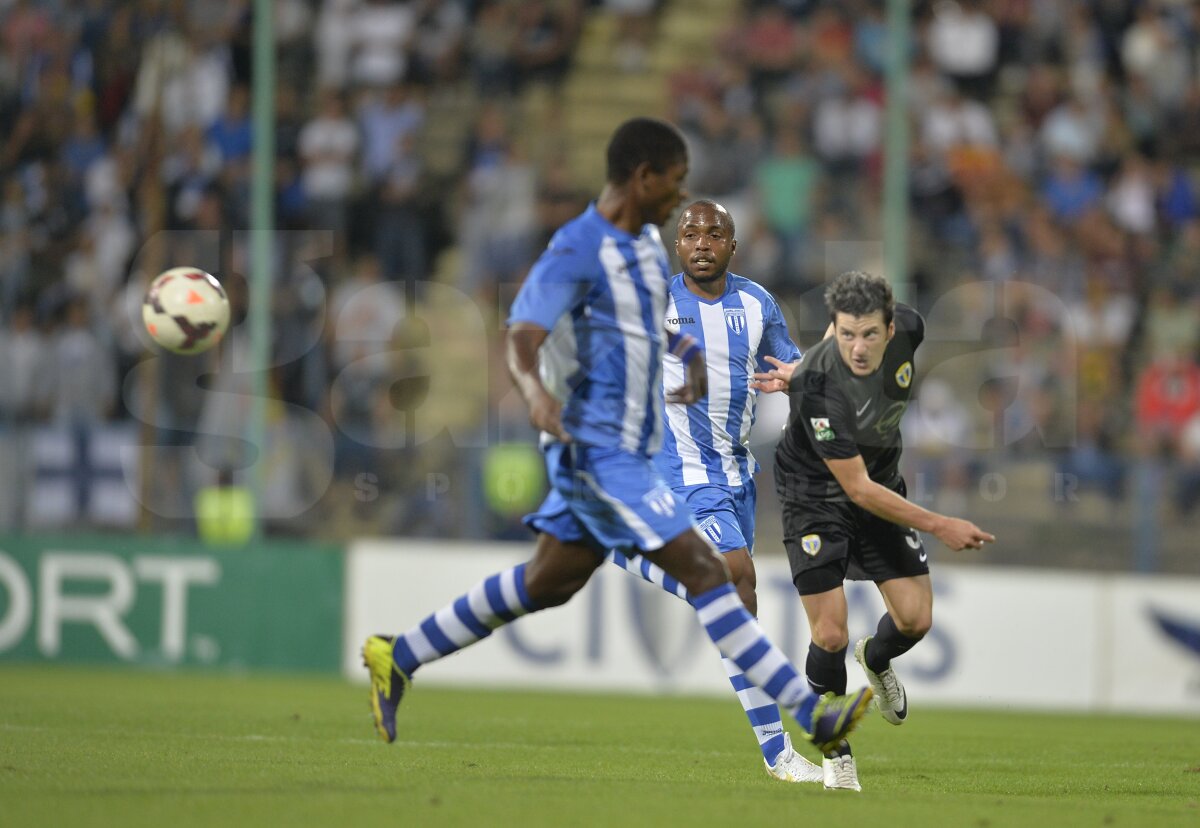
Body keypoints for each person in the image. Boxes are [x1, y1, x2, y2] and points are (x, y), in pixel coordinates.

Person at [361, 118, 872, 756]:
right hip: (602, 449)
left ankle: (398, 653)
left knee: (545, 582)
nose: (678, 201)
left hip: (631, 446)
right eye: (675, 185)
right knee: (720, 574)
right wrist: (540, 397)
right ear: (644, 177)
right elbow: (522, 336)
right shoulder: (579, 244)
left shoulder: (640, 254)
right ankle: (805, 721)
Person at [605, 199, 829, 784]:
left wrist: (800, 375)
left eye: (715, 233)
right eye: (690, 233)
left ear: (734, 245)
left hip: (736, 476)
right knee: (734, 576)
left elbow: (794, 364)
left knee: (735, 603)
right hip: (677, 471)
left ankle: (618, 548)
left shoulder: (757, 304)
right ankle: (779, 754)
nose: (702, 241)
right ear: (677, 247)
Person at [765, 270, 995, 791]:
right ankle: (834, 750)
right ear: (834, 328)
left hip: (880, 483)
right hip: (815, 496)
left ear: (891, 329)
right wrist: (942, 525)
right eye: (846, 334)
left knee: (915, 620)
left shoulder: (910, 328)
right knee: (828, 632)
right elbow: (857, 489)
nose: (858, 346)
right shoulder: (817, 388)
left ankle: (876, 657)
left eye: (869, 333)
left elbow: (872, 489)